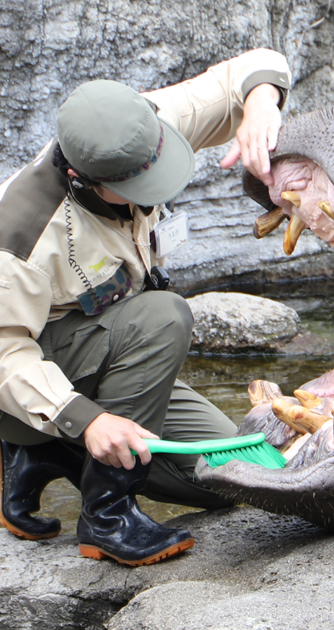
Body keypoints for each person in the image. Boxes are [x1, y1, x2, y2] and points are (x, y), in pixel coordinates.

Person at [0, 48, 290, 566]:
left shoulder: (140, 126)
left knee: (234, 478)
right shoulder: (22, 234)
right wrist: (86, 420)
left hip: (107, 355)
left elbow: (253, 67)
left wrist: (262, 105)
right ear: (81, 179)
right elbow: (4, 353)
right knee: (164, 314)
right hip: (46, 374)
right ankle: (106, 514)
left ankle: (43, 452)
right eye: (134, 188)